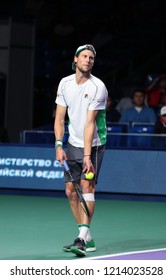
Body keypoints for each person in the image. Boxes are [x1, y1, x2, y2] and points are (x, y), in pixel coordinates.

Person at [54, 44, 108, 257]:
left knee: (87, 187)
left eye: (92, 58)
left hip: (93, 143)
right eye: (84, 56)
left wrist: (87, 156)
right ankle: (87, 237)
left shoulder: (98, 87)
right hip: (72, 142)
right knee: (70, 191)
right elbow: (59, 118)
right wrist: (59, 145)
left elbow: (89, 124)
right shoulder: (65, 83)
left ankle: (81, 238)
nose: (88, 60)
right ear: (75, 59)